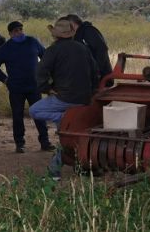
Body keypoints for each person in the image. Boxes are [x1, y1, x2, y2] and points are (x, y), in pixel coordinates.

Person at [31, 17, 98, 180]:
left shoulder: (53, 50)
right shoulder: (83, 48)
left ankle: (63, 118)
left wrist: (47, 88)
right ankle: (56, 169)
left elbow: (40, 72)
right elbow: (95, 72)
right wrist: (91, 93)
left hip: (65, 98)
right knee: (68, 135)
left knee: (35, 110)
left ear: (56, 35)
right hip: (84, 99)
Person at [0, 21, 55, 153]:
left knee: (39, 114)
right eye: (15, 31)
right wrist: (5, 80)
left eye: (20, 29)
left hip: (34, 86)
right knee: (17, 115)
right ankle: (19, 144)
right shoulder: (5, 48)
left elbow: (45, 57)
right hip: (16, 88)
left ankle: (45, 142)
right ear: (10, 34)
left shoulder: (32, 42)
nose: (19, 32)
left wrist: (45, 76)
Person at [66, 14, 113, 89]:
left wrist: (96, 71)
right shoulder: (77, 35)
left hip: (99, 75)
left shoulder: (88, 31)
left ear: (73, 24)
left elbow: (102, 49)